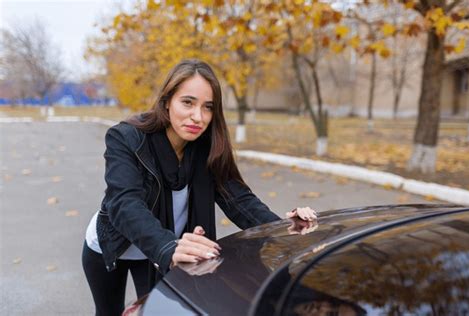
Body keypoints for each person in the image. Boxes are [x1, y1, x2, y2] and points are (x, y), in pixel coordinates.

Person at [81, 59, 317, 316]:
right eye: (188, 102)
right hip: (113, 245)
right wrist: (167, 247)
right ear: (167, 100)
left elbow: (240, 200)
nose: (198, 117)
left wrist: (283, 230)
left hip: (163, 251)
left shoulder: (208, 148)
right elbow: (124, 204)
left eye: (208, 107)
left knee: (156, 311)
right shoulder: (126, 138)